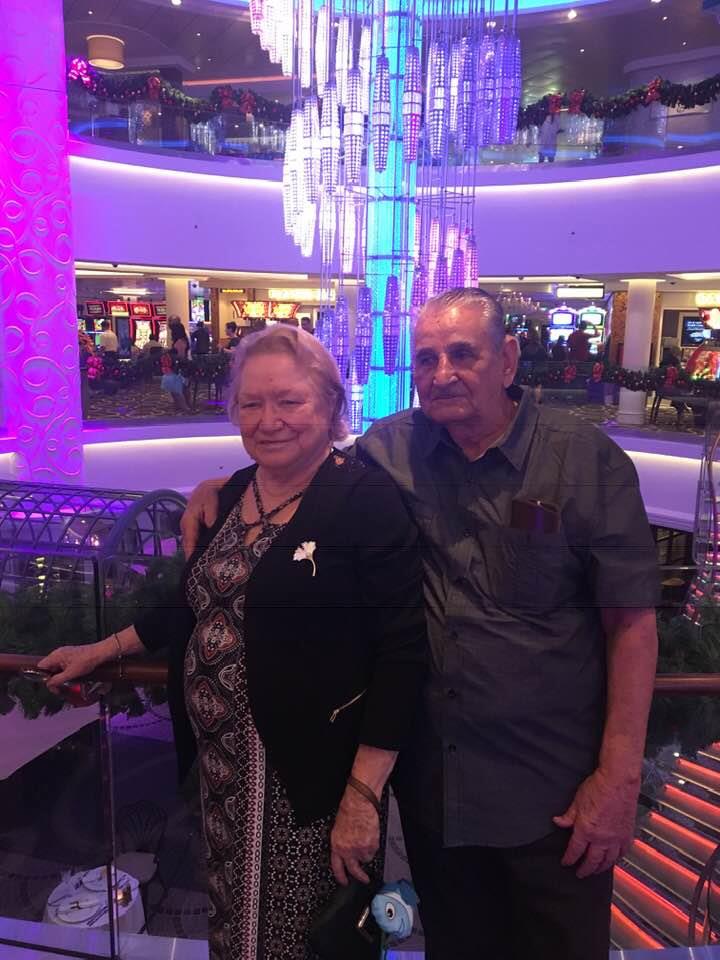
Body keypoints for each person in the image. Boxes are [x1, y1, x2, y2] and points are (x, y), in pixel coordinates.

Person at [182, 288, 659, 960]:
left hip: (554, 797)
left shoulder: (582, 463)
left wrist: (618, 778)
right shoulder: (392, 449)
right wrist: (222, 488)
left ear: (508, 359)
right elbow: (305, 458)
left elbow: (631, 625)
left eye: (462, 354)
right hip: (437, 795)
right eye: (427, 357)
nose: (441, 373)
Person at [38, 325, 427, 960]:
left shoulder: (366, 502)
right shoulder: (232, 493)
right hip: (223, 776)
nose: (269, 420)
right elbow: (191, 605)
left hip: (311, 785)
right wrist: (103, 651)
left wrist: (362, 796)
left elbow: (402, 653)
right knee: (234, 929)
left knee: (304, 939)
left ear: (330, 406)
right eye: (251, 403)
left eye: (289, 401)